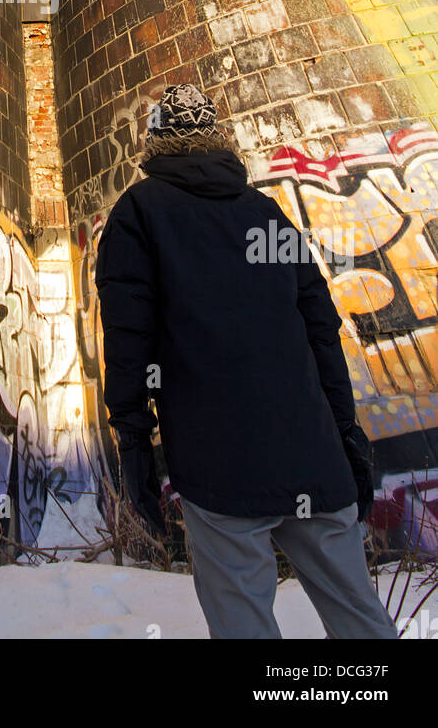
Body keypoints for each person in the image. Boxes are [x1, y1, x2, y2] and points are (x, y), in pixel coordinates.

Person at [94, 83, 398, 639]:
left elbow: (128, 342)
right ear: (217, 138)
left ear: (155, 140)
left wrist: (134, 446)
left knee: (244, 627)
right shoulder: (267, 213)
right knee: (361, 620)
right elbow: (322, 333)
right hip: (312, 454)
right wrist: (347, 435)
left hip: (219, 466)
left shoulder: (137, 213)